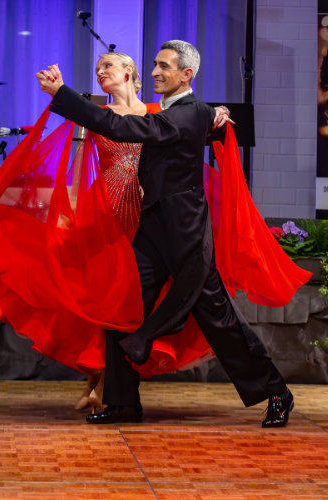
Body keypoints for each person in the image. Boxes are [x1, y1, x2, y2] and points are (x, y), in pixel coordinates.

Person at [37, 40, 299, 427]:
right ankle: (123, 402)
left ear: (186, 74)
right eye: (155, 65)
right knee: (121, 305)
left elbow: (120, 126)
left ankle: (276, 392)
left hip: (186, 232)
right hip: (153, 229)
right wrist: (216, 117)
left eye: (163, 66)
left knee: (218, 319)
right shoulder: (181, 113)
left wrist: (62, 94)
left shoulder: (189, 112)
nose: (155, 72)